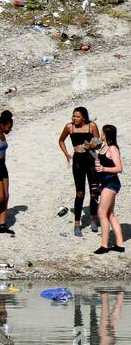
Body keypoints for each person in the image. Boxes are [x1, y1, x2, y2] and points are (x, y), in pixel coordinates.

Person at [59, 106, 102, 235]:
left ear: (83, 117)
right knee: (80, 193)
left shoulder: (92, 126)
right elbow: (61, 140)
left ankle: (93, 218)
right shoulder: (69, 127)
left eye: (77, 116)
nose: (74, 118)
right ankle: (77, 223)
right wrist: (66, 154)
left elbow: (99, 144)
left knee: (94, 191)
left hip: (91, 159)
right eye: (73, 116)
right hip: (78, 160)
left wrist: (92, 145)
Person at [93, 124, 125, 254]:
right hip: (105, 182)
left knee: (101, 213)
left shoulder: (112, 149)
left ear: (106, 134)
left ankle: (104, 246)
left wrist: (103, 169)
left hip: (111, 183)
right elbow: (104, 162)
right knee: (110, 214)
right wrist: (98, 164)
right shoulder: (103, 147)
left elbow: (119, 168)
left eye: (102, 133)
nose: (100, 135)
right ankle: (119, 244)